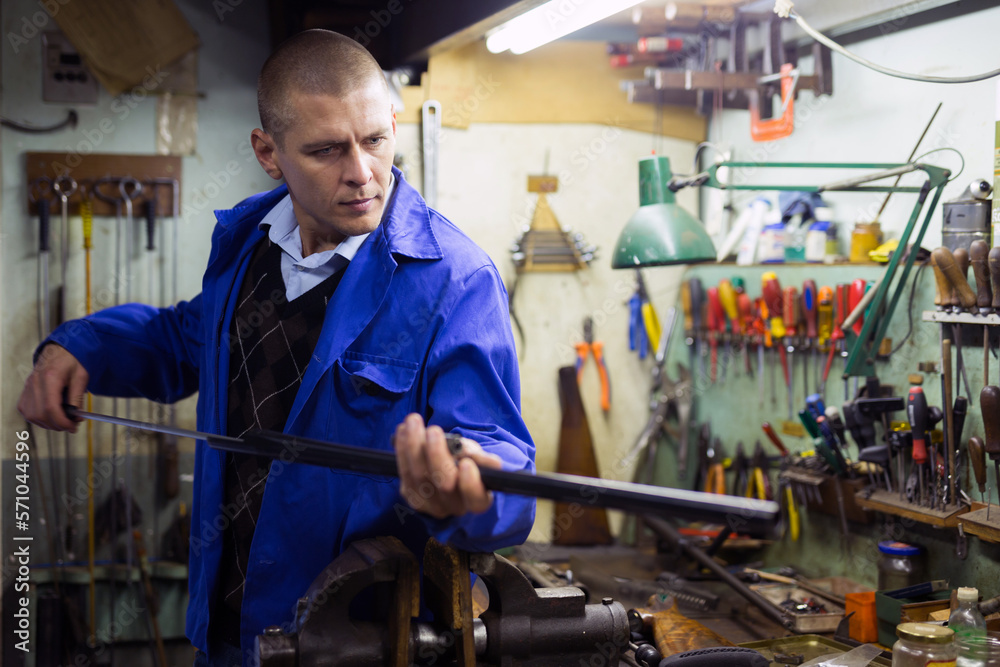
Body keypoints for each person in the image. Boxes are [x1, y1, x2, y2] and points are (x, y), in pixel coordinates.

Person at [18, 29, 536, 666]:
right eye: (325, 150)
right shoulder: (247, 246)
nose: (361, 173)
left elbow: (502, 455)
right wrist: (80, 345)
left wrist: (473, 494)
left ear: (393, 120)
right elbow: (186, 340)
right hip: (227, 634)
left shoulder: (454, 281)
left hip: (357, 646)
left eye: (375, 139)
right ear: (269, 153)